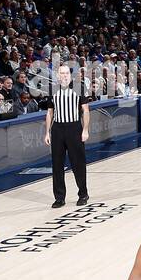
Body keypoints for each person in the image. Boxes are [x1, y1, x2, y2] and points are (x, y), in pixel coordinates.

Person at [45, 64, 90, 208]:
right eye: (61, 73)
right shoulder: (52, 90)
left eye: (66, 73)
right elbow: (50, 112)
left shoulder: (78, 88)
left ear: (70, 76)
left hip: (74, 127)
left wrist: (85, 130)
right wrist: (47, 132)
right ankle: (59, 197)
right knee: (57, 164)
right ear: (57, 76)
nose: (64, 76)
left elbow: (86, 110)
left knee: (78, 163)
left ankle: (83, 194)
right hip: (58, 129)